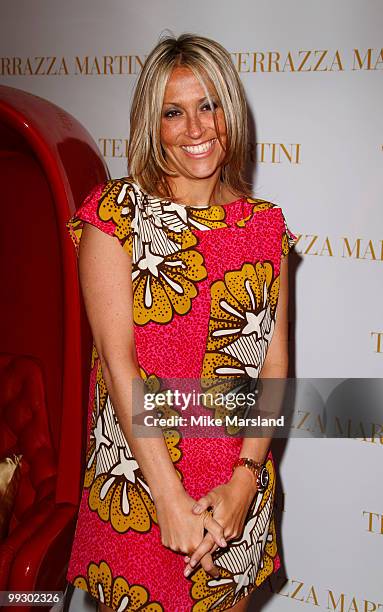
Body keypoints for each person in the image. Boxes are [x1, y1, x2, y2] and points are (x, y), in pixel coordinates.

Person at [65, 33, 297, 612]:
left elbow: (273, 363)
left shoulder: (265, 227)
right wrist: (168, 498)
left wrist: (245, 480)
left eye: (209, 105)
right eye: (174, 112)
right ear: (153, 124)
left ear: (230, 113)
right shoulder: (114, 214)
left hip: (236, 498)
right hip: (142, 495)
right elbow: (118, 367)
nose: (196, 128)